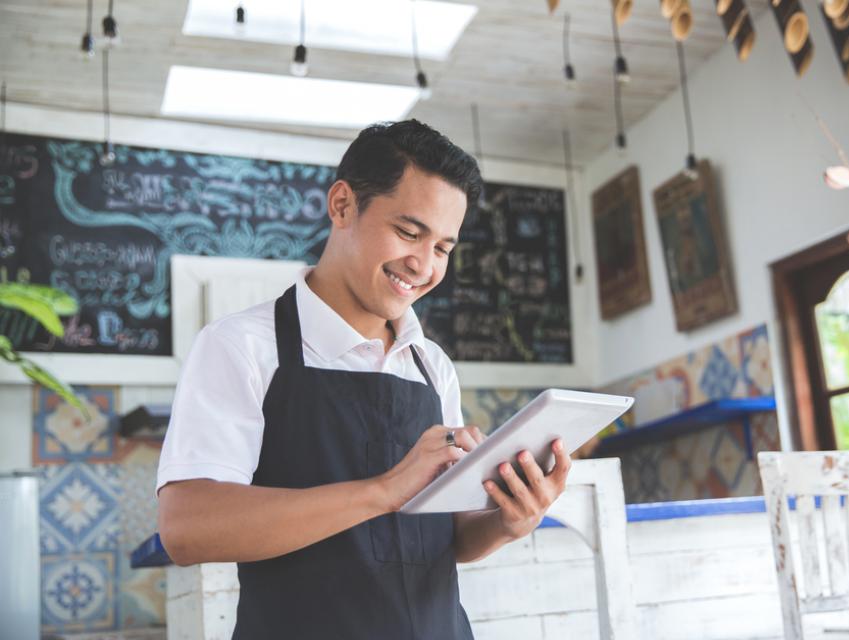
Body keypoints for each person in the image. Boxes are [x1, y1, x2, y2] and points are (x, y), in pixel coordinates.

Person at [155, 119, 573, 639]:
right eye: (408, 232)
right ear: (343, 205)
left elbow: (447, 538)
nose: (423, 266)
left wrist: (511, 520)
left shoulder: (432, 365)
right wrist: (382, 491)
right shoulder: (240, 347)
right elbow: (186, 529)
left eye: (443, 247)